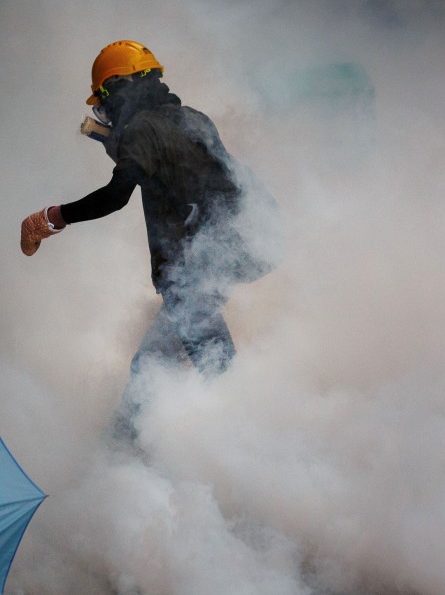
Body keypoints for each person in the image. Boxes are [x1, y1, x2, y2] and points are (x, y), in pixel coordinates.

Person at [20, 40, 278, 440]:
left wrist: (52, 219)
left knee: (216, 368)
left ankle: (261, 446)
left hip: (195, 266)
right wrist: (116, 143)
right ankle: (124, 451)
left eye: (104, 101)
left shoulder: (143, 130)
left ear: (118, 90)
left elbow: (116, 195)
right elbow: (166, 165)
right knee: (152, 367)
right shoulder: (192, 118)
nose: (104, 112)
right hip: (239, 247)